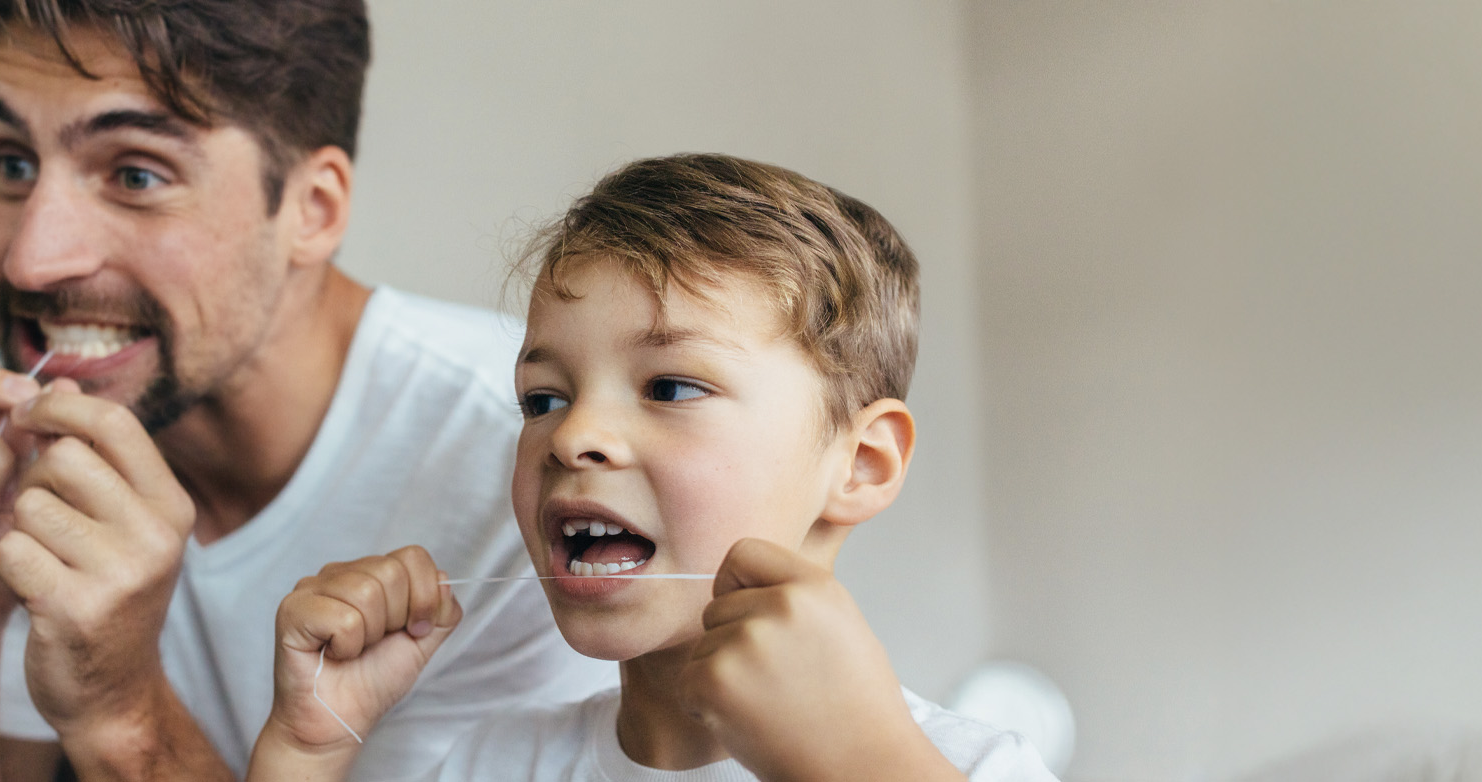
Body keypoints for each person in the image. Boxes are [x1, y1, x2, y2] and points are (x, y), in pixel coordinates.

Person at [0, 1, 616, 780]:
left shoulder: (533, 464)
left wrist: (121, 712)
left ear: (312, 210)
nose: (30, 263)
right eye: (12, 163)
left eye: (136, 175)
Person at [246, 154, 1060, 781]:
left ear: (863, 465)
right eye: (542, 399)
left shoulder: (974, 766)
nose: (572, 437)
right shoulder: (492, 764)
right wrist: (306, 750)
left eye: (669, 387)